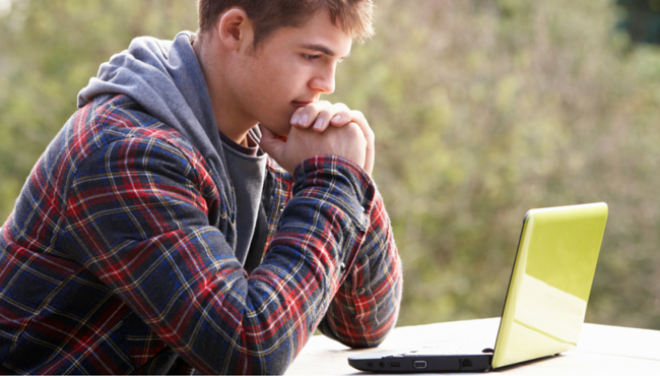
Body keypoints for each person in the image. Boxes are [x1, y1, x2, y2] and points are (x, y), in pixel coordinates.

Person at [0, 0, 402, 374]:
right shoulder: (127, 152)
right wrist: (333, 183)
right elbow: (248, 350)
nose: (328, 84)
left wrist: (346, 179)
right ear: (235, 30)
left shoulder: (268, 142)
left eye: (337, 61)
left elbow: (364, 320)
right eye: (312, 56)